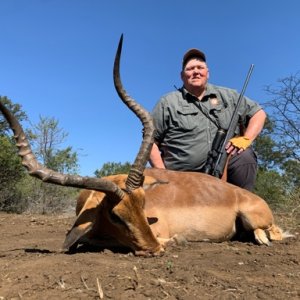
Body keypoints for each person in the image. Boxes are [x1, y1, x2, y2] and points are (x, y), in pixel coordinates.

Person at [149, 48, 266, 191]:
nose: (196, 72)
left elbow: (258, 113)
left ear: (208, 73)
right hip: (179, 178)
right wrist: (163, 175)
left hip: (221, 169)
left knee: (245, 155)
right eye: (190, 69)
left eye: (200, 68)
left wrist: (246, 139)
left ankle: (243, 208)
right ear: (182, 76)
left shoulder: (229, 95)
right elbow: (150, 142)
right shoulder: (167, 102)